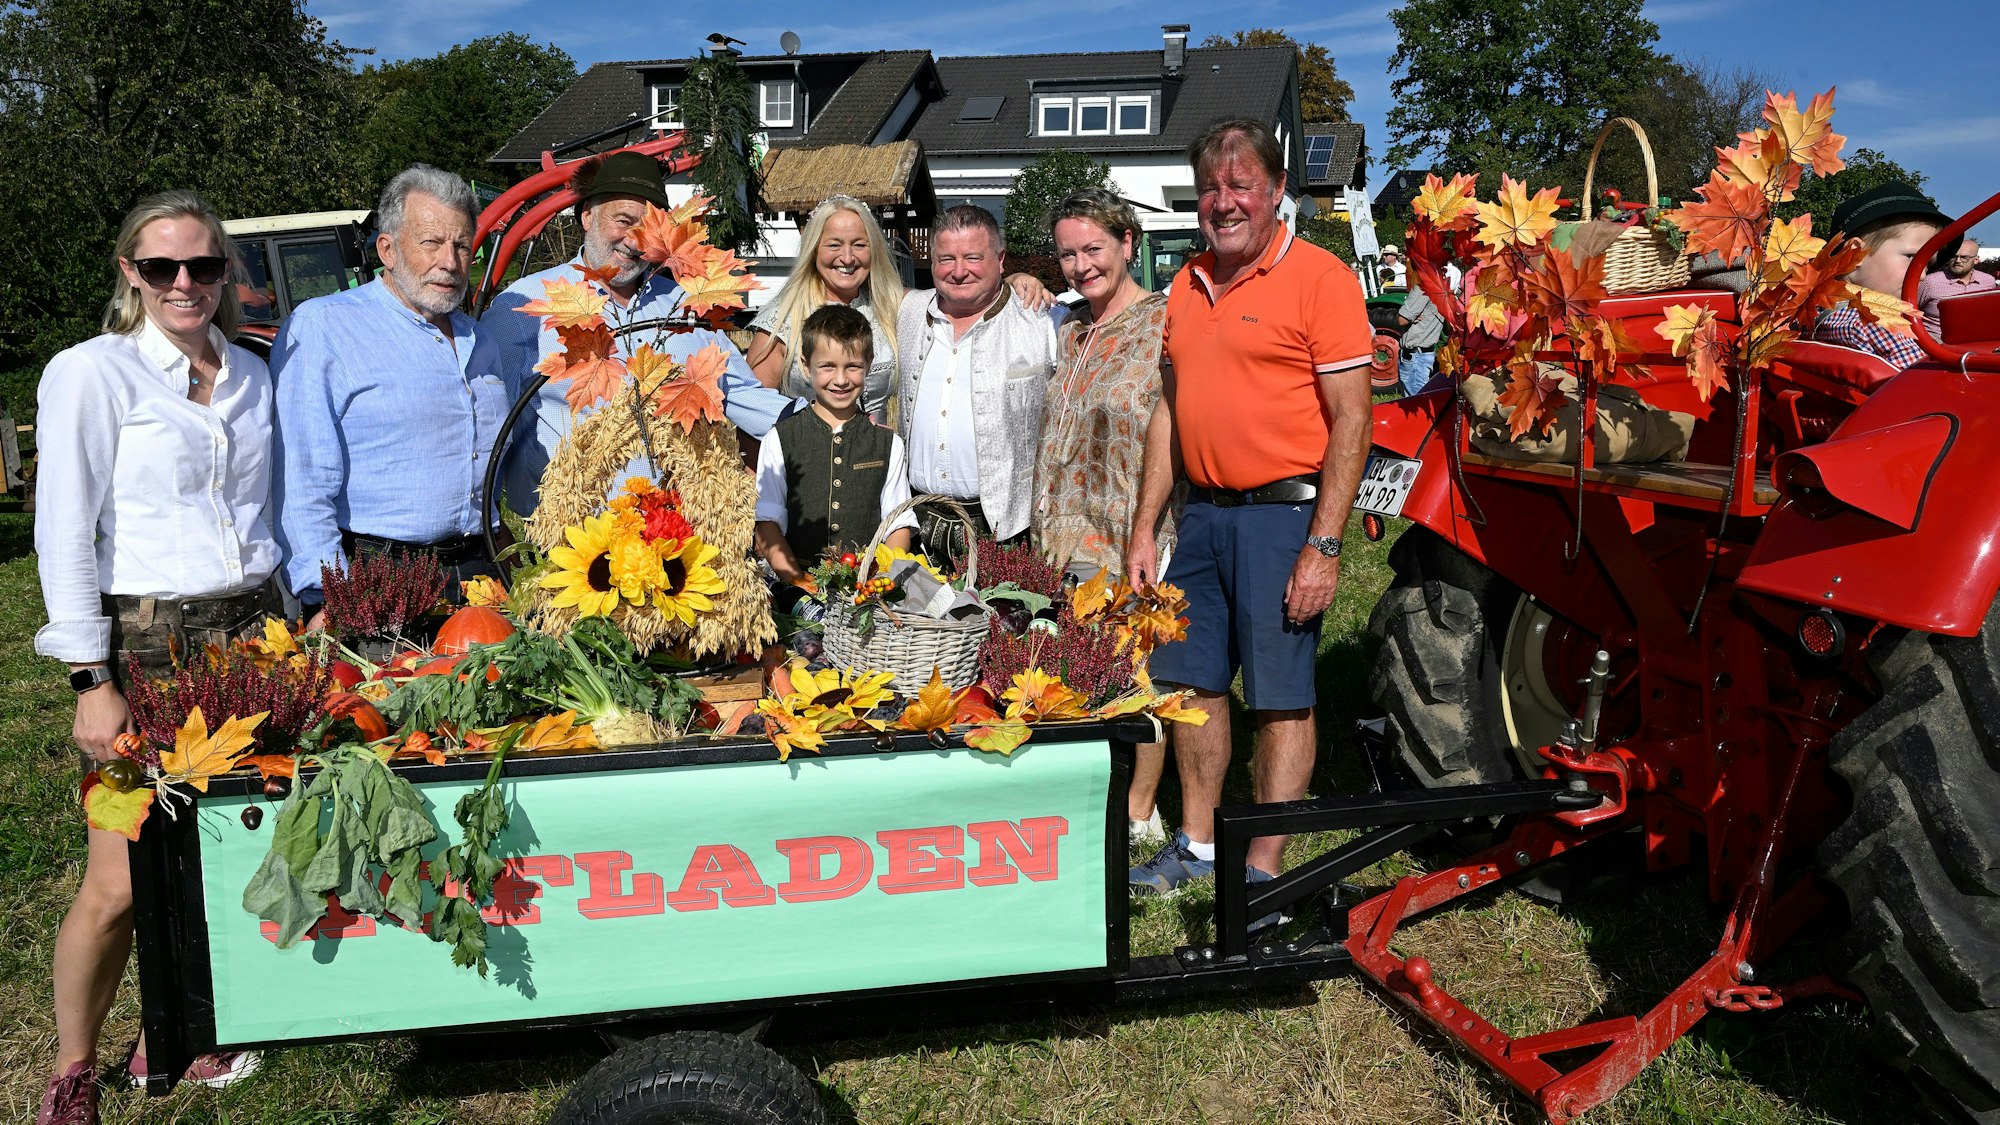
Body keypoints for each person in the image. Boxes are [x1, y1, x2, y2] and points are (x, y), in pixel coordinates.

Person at [35, 190, 275, 1125]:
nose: (186, 284)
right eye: (164, 267)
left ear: (224, 273)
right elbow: (64, 535)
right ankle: (73, 1066)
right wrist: (92, 682)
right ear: (131, 272)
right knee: (118, 874)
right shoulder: (92, 374)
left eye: (204, 266)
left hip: (252, 638)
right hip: (145, 644)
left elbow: (263, 515)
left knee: (217, 850)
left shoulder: (253, 373)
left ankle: (179, 1029)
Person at [1125, 120, 1373, 921]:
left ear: (1274, 194)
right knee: (1190, 683)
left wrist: (1324, 547)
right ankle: (1197, 844)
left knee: (1280, 695)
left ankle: (1264, 869)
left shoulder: (1320, 278)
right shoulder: (1187, 283)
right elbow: (1170, 410)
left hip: (1281, 516)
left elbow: (1353, 420)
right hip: (1201, 519)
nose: (1224, 202)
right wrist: (1144, 526)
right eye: (1211, 187)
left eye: (1241, 187)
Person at [476, 151, 789, 514]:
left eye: (651, 229)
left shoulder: (684, 304)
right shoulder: (524, 306)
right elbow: (490, 431)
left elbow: (739, 394)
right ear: (587, 215)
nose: (635, 241)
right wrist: (491, 527)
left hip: (673, 537)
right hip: (570, 545)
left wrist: (826, 421)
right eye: (623, 221)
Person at [273, 165, 505, 622]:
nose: (450, 262)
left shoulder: (481, 341)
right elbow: (302, 480)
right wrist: (326, 594)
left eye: (461, 245)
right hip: (380, 578)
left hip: (482, 574)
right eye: (431, 243)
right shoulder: (324, 327)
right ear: (388, 249)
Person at [1030, 188, 1175, 843]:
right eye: (1067, 253)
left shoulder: (1165, 321)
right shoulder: (1070, 328)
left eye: (1094, 248)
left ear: (1128, 244)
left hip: (1130, 526)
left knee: (1140, 673)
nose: (1081, 264)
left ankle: (1142, 812)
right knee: (1088, 670)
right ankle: (1100, 797)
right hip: (1063, 530)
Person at [894, 205, 1058, 565]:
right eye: (946, 258)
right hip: (914, 521)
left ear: (1000, 259)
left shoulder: (1039, 319)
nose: (958, 271)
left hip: (1003, 526)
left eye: (973, 257)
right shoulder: (907, 311)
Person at [754, 305, 917, 581]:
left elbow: (898, 524)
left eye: (853, 367)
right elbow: (767, 523)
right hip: (798, 585)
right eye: (827, 366)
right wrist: (795, 579)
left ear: (869, 364)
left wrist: (882, 579)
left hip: (868, 586)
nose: (841, 380)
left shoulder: (888, 443)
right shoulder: (780, 438)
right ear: (806, 366)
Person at [746, 195, 905, 425]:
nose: (848, 257)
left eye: (859, 244)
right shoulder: (783, 318)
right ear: (814, 250)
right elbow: (754, 410)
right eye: (834, 245)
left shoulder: (891, 309)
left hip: (877, 457)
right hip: (806, 456)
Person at [1808, 181, 1952, 369]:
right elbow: (1934, 384)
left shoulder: (1807, 314)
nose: (1922, 275)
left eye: (1927, 265)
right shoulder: (1876, 323)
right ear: (1855, 253)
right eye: (1911, 257)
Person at [1918, 236, 1995, 337]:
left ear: (1976, 260)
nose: (1958, 261)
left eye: (1964, 257)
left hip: (1975, 338)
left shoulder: (1988, 281)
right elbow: (1909, 308)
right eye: (1954, 256)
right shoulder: (1930, 282)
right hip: (1937, 341)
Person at [1395, 282, 1446, 396]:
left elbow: (1402, 320)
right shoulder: (1441, 286)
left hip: (1415, 356)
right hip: (1423, 354)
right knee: (1419, 400)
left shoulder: (1423, 288)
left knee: (1414, 401)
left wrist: (1406, 317)